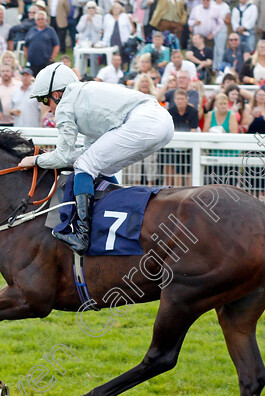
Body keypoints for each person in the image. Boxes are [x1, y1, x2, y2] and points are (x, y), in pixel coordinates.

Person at [17, 62, 174, 254]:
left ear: (57, 94)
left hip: (143, 121)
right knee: (100, 166)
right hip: (162, 122)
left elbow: (64, 156)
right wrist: (52, 158)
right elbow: (83, 152)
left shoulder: (65, 105)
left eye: (44, 100)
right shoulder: (85, 96)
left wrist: (34, 160)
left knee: (85, 166)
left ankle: (81, 234)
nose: (48, 108)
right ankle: (112, 212)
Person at [24, 11, 59, 75]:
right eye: (38, 19)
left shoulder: (50, 30)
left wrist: (52, 58)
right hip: (33, 63)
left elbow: (56, 45)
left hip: (46, 63)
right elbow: (25, 46)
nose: (40, 21)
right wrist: (27, 58)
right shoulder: (31, 30)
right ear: (35, 21)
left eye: (42, 19)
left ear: (46, 20)